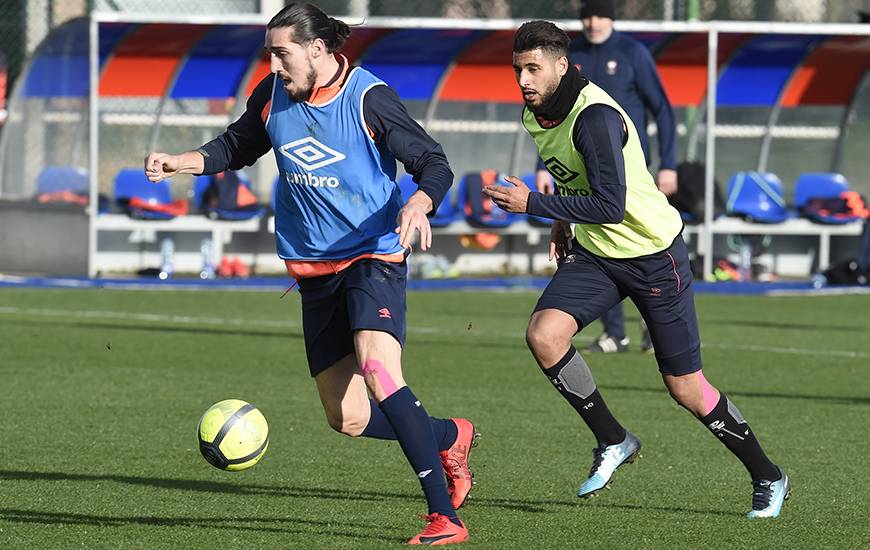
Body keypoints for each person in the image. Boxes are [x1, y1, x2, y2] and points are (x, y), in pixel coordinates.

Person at [144, 4, 475, 544]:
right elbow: (236, 146)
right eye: (269, 53)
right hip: (313, 269)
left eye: (283, 53)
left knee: (380, 370)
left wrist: (419, 203)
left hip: (373, 255)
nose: (274, 64)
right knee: (345, 417)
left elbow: (434, 163)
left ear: (318, 49)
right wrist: (183, 161)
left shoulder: (368, 97)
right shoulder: (272, 95)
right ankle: (449, 434)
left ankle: (444, 515)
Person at [484, 20, 790, 518]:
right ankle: (614, 439)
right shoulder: (535, 112)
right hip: (600, 253)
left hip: (652, 254)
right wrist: (561, 221)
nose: (523, 80)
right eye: (518, 69)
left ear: (562, 65)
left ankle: (769, 475)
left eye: (534, 69)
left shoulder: (595, 117)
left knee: (685, 388)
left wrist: (535, 204)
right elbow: (578, 183)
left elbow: (609, 203)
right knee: (544, 335)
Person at [536, 0, 678, 355]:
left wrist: (669, 163)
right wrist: (543, 167)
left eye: (599, 15)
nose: (593, 22)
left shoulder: (633, 53)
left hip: (632, 170)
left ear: (611, 17)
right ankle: (615, 334)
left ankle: (653, 327)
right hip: (586, 170)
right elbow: (551, 117)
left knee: (642, 240)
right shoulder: (572, 54)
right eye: (587, 15)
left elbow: (661, 108)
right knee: (599, 244)